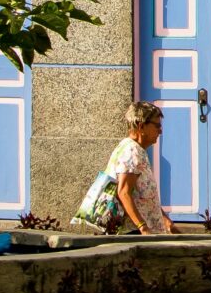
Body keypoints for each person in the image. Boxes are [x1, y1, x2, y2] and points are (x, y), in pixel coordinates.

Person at [75, 100, 174, 234]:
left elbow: (144, 196)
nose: (160, 131)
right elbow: (123, 192)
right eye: (157, 125)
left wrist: (165, 220)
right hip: (133, 232)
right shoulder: (131, 151)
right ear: (141, 126)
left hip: (139, 230)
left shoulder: (134, 149)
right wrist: (143, 228)